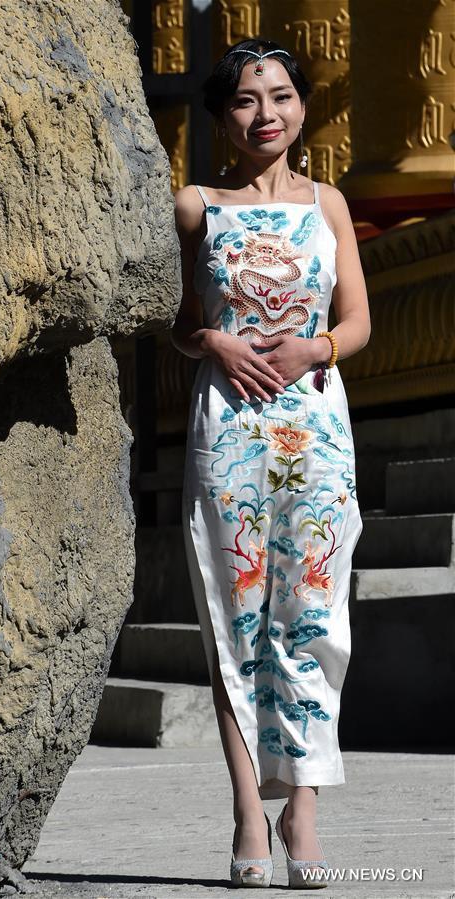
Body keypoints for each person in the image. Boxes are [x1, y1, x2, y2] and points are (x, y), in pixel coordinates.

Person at [170, 37, 371, 889]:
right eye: (248, 101)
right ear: (222, 116)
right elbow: (175, 322)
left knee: (312, 620)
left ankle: (305, 810)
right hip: (231, 434)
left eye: (282, 97)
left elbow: (359, 321)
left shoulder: (328, 205)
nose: (267, 115)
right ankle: (252, 813)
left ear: (300, 107)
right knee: (236, 621)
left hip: (315, 435)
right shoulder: (196, 205)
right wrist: (213, 337)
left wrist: (313, 347)